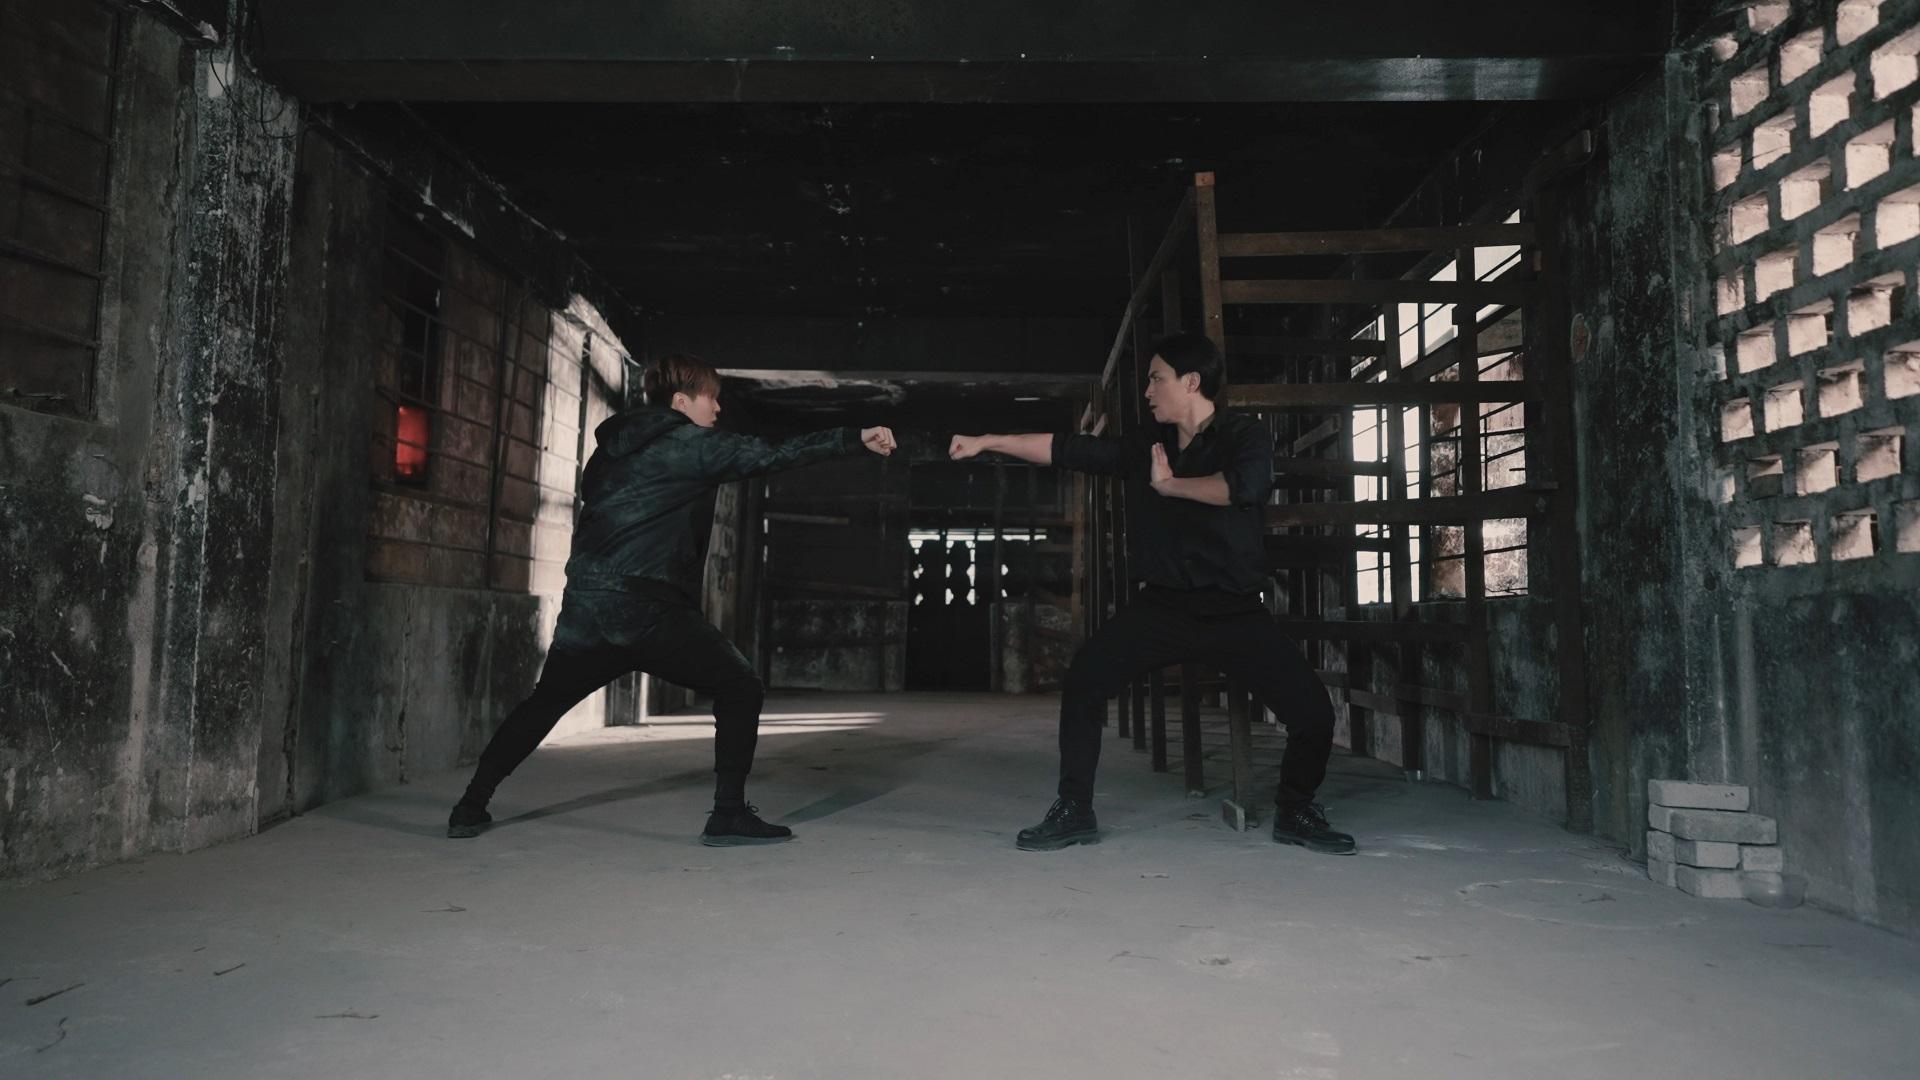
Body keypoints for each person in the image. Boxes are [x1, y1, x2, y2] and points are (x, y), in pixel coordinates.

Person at [448, 354, 897, 845]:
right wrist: (852, 438)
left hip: (588, 607)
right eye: (711, 398)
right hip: (649, 610)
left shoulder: (609, 452)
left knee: (543, 704)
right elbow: (770, 454)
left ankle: (470, 805)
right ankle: (728, 813)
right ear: (681, 401)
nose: (718, 409)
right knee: (740, 685)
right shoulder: (688, 445)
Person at [949, 332, 1354, 855]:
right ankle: (1074, 810)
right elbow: (1066, 449)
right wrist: (987, 441)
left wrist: (1171, 486)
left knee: (1314, 715)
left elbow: (1244, 488)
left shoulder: (1243, 436)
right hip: (1162, 608)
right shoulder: (1147, 444)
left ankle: (1296, 810)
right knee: (1085, 681)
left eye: (1156, 379)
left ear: (1191, 382)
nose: (1147, 391)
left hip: (1233, 612)